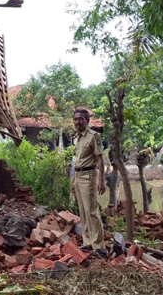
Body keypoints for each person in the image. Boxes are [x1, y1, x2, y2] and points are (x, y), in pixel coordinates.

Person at [71, 108, 106, 255]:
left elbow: (99, 158)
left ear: (87, 121)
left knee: (92, 211)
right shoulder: (76, 138)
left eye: (81, 119)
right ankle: (88, 242)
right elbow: (76, 162)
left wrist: (101, 180)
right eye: (76, 119)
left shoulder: (93, 136)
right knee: (83, 211)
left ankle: (99, 247)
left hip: (89, 176)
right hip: (79, 176)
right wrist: (73, 181)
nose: (78, 122)